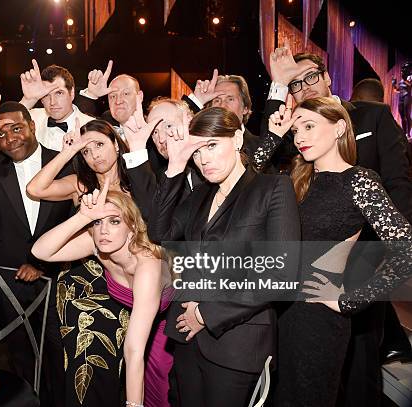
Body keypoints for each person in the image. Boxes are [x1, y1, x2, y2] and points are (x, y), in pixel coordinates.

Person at [267, 44, 412, 406]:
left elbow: (405, 248)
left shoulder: (360, 179)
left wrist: (350, 300)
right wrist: (273, 135)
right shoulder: (297, 181)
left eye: (310, 125)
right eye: (295, 128)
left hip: (320, 318)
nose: (299, 136)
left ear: (338, 129)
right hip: (283, 312)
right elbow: (249, 176)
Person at [149, 107, 300, 406]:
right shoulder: (199, 195)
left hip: (237, 344)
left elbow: (281, 276)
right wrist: (176, 165)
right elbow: (159, 232)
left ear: (238, 137)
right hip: (186, 337)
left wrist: (207, 314)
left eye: (212, 145)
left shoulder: (272, 189)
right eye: (196, 151)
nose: (204, 159)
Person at [0, 98, 73, 406]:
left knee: (57, 355)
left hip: (56, 279)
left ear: (33, 126)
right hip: (7, 281)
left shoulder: (62, 161)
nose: (10, 138)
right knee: (19, 356)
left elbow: (78, 224)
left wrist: (43, 265)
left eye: (17, 128)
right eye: (1, 133)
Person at [31, 181, 173, 407]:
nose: (104, 230)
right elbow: (40, 251)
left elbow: (134, 349)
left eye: (114, 221)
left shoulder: (147, 267)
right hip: (137, 320)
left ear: (133, 227)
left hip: (170, 326)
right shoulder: (100, 244)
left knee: (160, 396)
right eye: (98, 222)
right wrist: (83, 217)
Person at [26, 119, 132, 406]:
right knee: (78, 358)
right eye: (87, 151)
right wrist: (67, 152)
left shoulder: (139, 181)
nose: (94, 154)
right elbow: (35, 188)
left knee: (114, 360)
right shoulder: (81, 184)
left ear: (116, 144)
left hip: (124, 280)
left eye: (99, 145)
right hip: (77, 281)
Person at [18, 60, 93, 151]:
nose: (52, 102)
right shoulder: (31, 118)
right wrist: (28, 100)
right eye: (46, 95)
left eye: (59, 93)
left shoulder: (91, 125)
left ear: (72, 93)